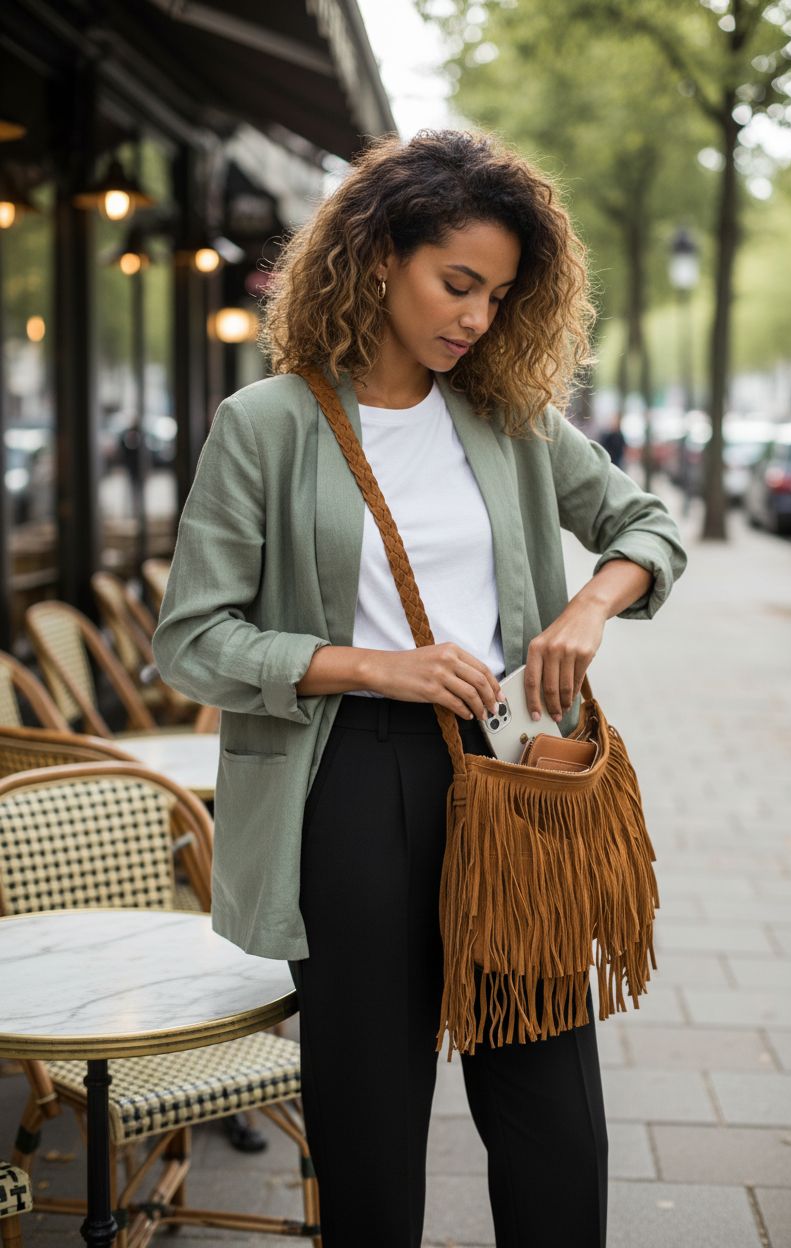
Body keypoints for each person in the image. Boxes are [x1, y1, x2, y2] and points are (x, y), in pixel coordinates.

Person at [152, 128, 687, 1248]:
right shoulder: (268, 425)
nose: (477, 318)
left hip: (505, 777)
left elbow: (645, 524)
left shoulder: (507, 420)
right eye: (458, 283)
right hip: (349, 782)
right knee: (370, 1118)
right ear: (379, 255)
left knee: (552, 1113)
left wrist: (588, 609)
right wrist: (364, 663)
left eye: (497, 295)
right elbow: (192, 641)